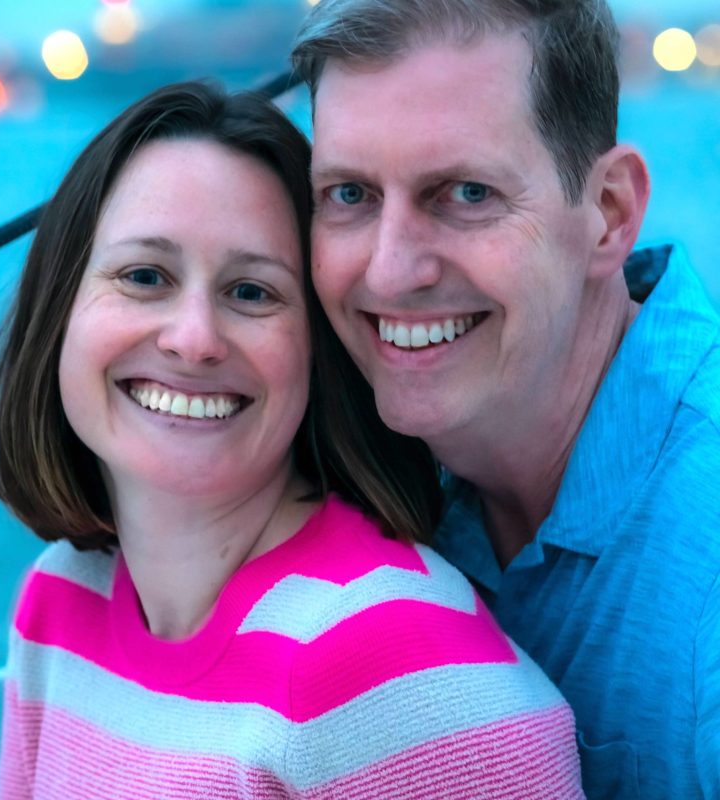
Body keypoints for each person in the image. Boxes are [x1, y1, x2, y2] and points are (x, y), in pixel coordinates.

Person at [0, 81, 585, 798]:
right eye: (145, 277)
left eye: (252, 292)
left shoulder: (399, 664)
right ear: (60, 312)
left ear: (315, 351)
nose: (195, 339)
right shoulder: (60, 601)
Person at [291, 0, 720, 797]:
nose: (388, 272)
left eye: (465, 193)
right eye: (349, 195)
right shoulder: (360, 455)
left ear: (609, 213)